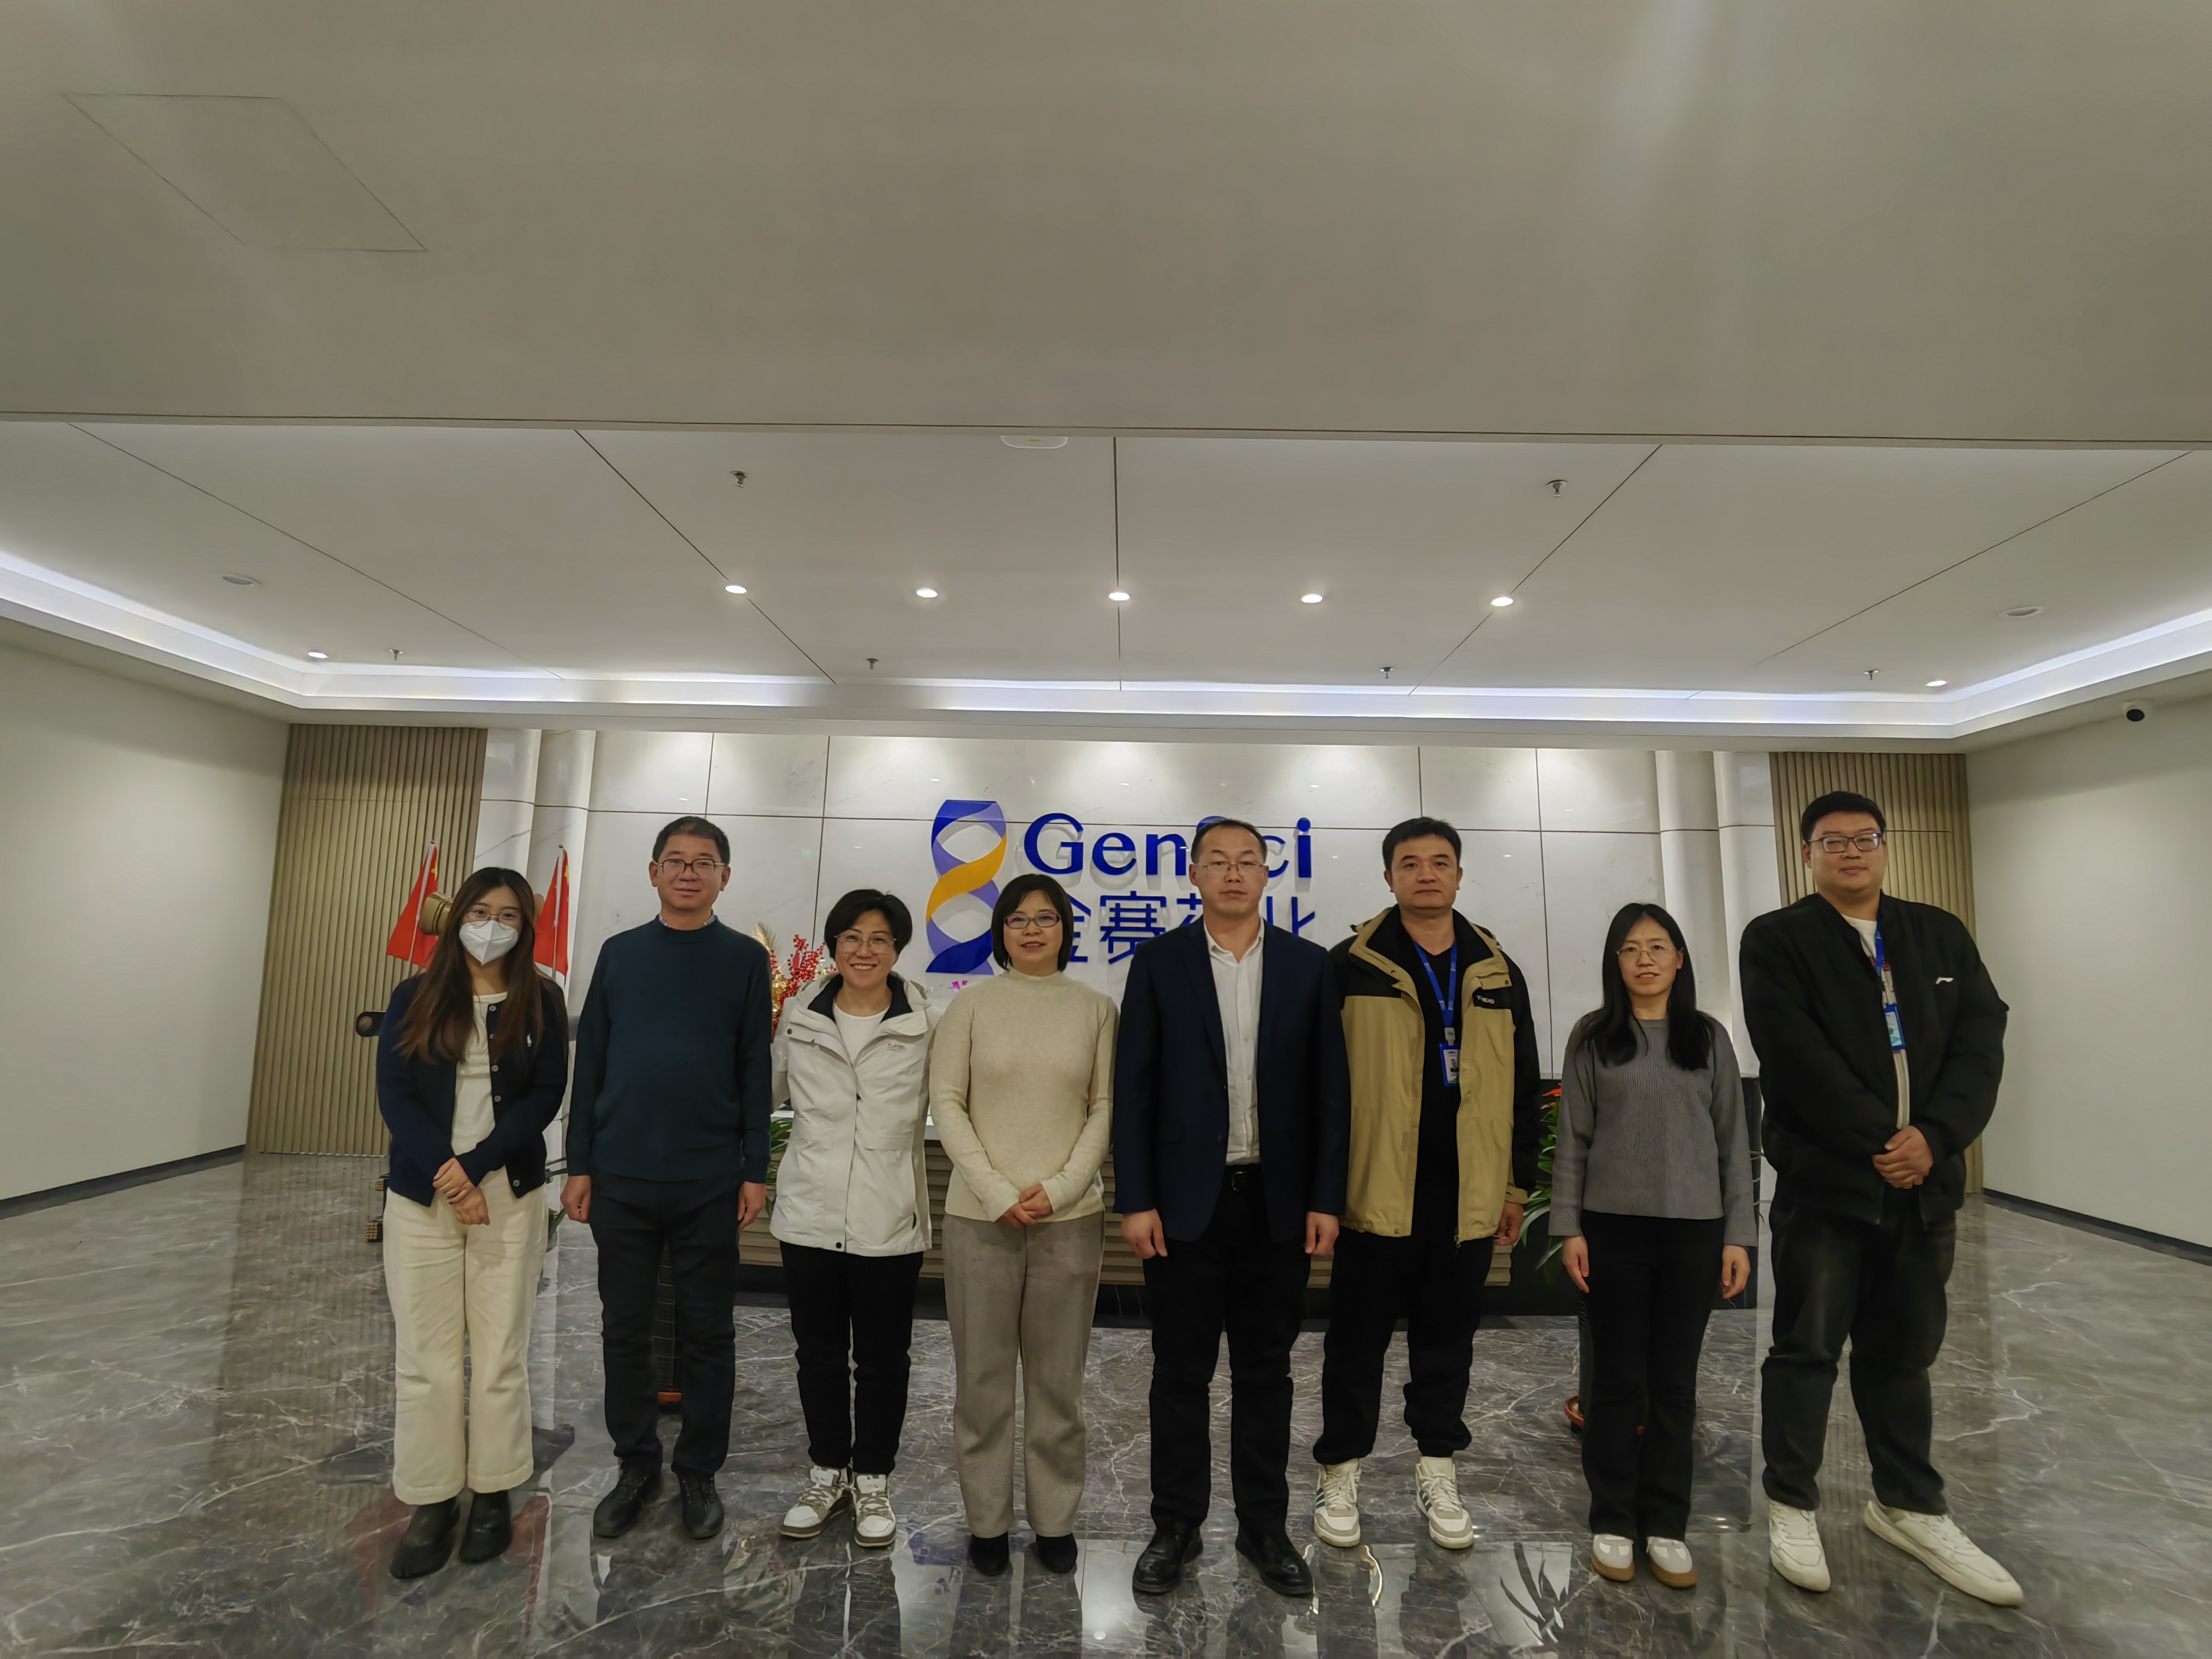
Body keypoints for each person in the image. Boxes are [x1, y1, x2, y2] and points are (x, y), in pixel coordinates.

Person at [1742, 790, 2020, 1606]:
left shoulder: (1938, 933)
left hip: (1924, 1190)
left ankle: (1908, 1505)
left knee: (1904, 1355)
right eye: (1832, 842)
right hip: (1829, 1188)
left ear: (1885, 847)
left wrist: (1934, 1136)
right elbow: (1794, 1054)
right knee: (1806, 1350)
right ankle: (1792, 1502)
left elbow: (1981, 1040)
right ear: (1808, 855)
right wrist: (1881, 1141)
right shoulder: (1779, 939)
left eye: (1864, 838)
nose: (1851, 852)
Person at [1115, 816, 1351, 1598]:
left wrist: (1325, 1197)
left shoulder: (1308, 965)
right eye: (1217, 861)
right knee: (1179, 1374)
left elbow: (1331, 1092)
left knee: (1266, 1373)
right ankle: (1175, 1526)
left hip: (1276, 1205)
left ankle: (1264, 1528)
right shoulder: (1159, 962)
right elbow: (1134, 1088)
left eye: (1247, 861)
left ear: (1265, 874)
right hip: (1185, 1207)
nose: (1233, 873)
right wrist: (1136, 1199)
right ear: (1193, 874)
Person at [1312, 816, 1541, 1552]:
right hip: (1373, 1191)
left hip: (1465, 1193)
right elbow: (1322, 1088)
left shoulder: (1498, 972)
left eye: (1440, 862)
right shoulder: (1350, 965)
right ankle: (1340, 1469)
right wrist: (1324, 1192)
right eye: (1409, 863)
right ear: (1388, 878)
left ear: (1459, 876)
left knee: (1447, 1345)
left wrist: (1515, 1188)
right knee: (1355, 1345)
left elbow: (1524, 1091)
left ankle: (1438, 1468)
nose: (1426, 874)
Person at [561, 816, 774, 1545]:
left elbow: (754, 1068)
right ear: (653, 872)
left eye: (704, 862)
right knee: (624, 1328)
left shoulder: (744, 960)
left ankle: (698, 1471)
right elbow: (591, 1064)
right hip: (620, 1175)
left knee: (709, 1331)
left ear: (724, 878)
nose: (689, 872)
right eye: (675, 860)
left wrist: (754, 1169)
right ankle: (635, 1465)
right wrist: (579, 1162)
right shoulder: (620, 954)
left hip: (709, 1178)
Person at [1552, 902, 1753, 1590]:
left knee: (1673, 1385)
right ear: (1616, 963)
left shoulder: (1707, 1037)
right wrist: (1569, 1228)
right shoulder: (1593, 1036)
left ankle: (1666, 1524)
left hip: (1694, 1233)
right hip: (1612, 1231)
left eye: (1657, 946)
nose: (1644, 959)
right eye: (1631, 948)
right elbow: (1573, 1141)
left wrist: (1738, 1235)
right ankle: (1611, 1520)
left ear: (1679, 959)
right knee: (1615, 1383)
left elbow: (1733, 1144)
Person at [375, 866, 569, 1579]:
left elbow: (544, 1096)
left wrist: (477, 1166)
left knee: (499, 1354)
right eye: (480, 911)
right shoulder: (415, 996)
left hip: (507, 1195)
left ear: (526, 927)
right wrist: (447, 1174)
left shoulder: (542, 1000)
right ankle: (431, 1499)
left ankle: (493, 1491)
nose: (492, 926)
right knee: (424, 1356)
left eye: (509, 915)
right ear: (456, 917)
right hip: (423, 1198)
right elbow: (395, 1093)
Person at [931, 873, 1117, 1579]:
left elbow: (1103, 1107)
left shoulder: (1096, 1009)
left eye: (1046, 918)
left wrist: (1061, 1189)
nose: (1032, 929)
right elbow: (947, 1102)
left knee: (1057, 1385)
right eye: (1017, 918)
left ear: (1066, 928)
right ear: (1000, 931)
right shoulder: (971, 1005)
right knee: (981, 1384)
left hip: (1069, 1222)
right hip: (980, 1221)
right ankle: (986, 1522)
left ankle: (1054, 1521)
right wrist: (995, 1191)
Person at [771, 889, 936, 1549]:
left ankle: (871, 1478)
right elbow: (766, 1090)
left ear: (897, 950)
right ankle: (826, 1474)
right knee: (816, 1355)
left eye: (879, 939)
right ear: (834, 946)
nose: (864, 951)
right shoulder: (800, 1016)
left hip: (888, 1215)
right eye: (851, 938)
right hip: (808, 1212)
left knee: (882, 1359)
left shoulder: (926, 1022)